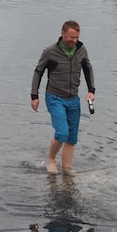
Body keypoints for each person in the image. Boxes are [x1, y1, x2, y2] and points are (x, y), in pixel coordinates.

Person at [31, 20, 95, 174]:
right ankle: (51, 159)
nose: (74, 41)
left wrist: (91, 90)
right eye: (71, 37)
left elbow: (88, 69)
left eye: (77, 38)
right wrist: (34, 95)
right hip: (55, 97)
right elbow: (38, 71)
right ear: (62, 34)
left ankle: (66, 168)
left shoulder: (82, 50)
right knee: (62, 133)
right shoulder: (50, 51)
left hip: (73, 99)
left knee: (72, 138)